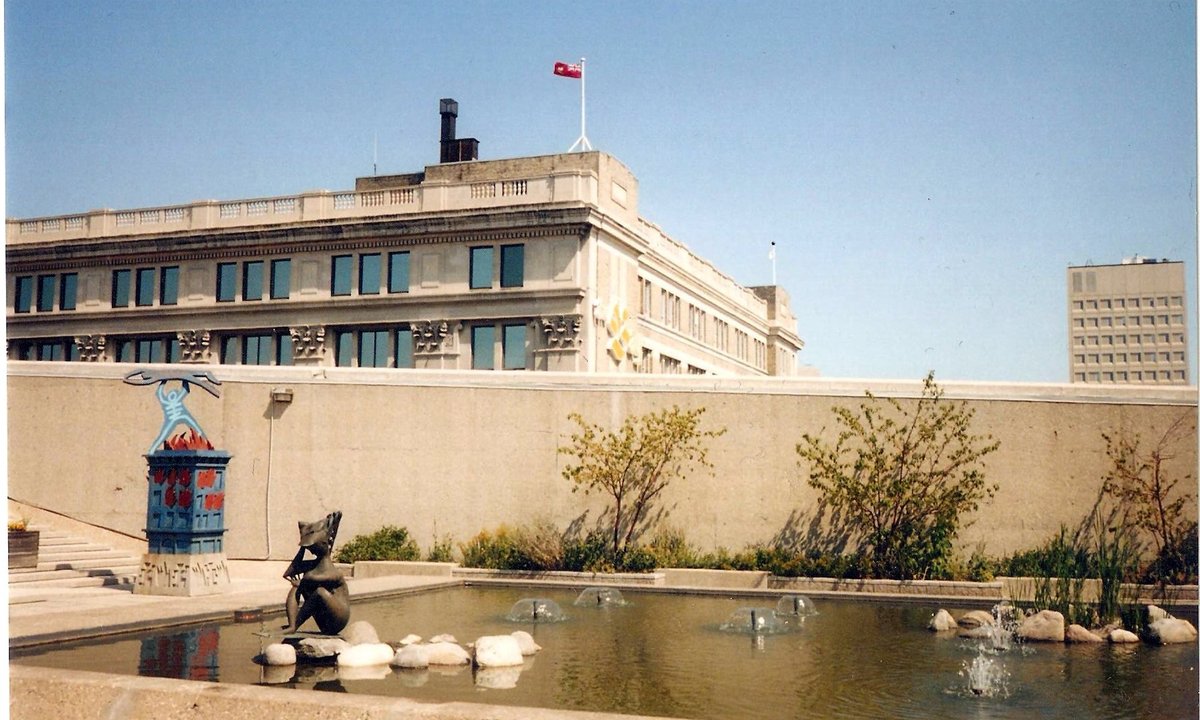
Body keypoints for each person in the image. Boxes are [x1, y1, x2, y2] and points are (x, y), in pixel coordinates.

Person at [281, 511, 350, 635]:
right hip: (324, 621)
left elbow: (310, 578)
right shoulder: (313, 564)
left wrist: (302, 582)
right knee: (296, 588)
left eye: (313, 548)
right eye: (310, 549)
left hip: (338, 619)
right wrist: (302, 547)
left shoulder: (335, 573)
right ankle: (292, 625)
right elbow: (289, 572)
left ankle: (295, 625)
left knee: (319, 592)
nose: (312, 552)